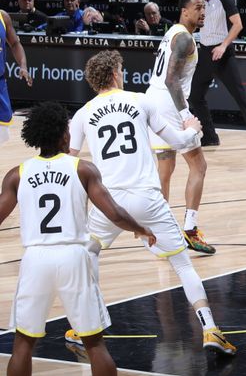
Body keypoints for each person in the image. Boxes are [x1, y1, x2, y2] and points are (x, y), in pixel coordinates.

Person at [67, 50, 236, 356]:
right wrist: (194, 130)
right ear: (116, 74)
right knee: (182, 264)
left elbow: (68, 164)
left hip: (108, 201)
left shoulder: (82, 115)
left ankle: (84, 325)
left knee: (88, 252)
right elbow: (179, 142)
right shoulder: (141, 101)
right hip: (146, 196)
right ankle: (211, 330)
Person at [1, 102, 155, 376]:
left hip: (35, 258)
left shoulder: (17, 174)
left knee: (23, 342)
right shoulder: (82, 169)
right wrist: (141, 228)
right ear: (64, 135)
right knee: (94, 343)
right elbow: (115, 213)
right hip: (73, 257)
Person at [146, 0, 215, 254]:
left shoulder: (172, 31)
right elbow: (171, 80)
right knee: (199, 164)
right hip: (169, 103)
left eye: (205, 8)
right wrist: (185, 115)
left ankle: (160, 233)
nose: (202, 12)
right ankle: (190, 229)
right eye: (198, 8)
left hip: (154, 100)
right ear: (184, 11)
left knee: (165, 169)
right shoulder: (185, 37)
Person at [189, 0, 246, 151]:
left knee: (240, 96)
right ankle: (210, 136)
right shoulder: (196, 3)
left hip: (223, 52)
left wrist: (223, 46)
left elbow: (238, 24)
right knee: (195, 96)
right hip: (205, 52)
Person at [0, 10, 32, 144]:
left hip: (0, 82)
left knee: (3, 134)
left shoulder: (3, 16)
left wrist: (23, 66)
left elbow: (14, 43)